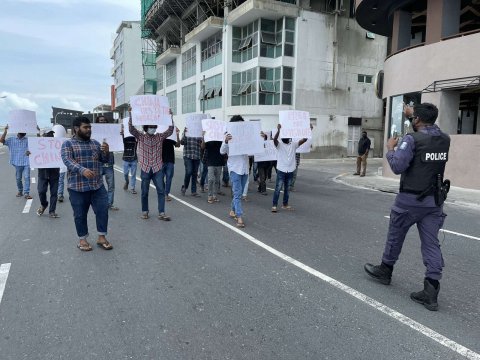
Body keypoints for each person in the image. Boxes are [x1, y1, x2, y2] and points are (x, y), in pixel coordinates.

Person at [364, 102, 450, 311]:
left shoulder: (412, 139)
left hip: (410, 200)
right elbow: (429, 131)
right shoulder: (444, 139)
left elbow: (397, 166)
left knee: (396, 235)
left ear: (418, 120)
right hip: (433, 201)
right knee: (431, 244)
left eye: (414, 118)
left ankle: (385, 270)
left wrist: (391, 149)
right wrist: (414, 115)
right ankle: (431, 291)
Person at [61, 116, 113, 251]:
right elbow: (67, 160)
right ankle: (82, 240)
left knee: (102, 211)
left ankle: (102, 237)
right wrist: (82, 170)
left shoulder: (95, 143)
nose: (89, 129)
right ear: (76, 128)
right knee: (80, 215)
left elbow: (104, 160)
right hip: (77, 187)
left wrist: (106, 152)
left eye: (90, 127)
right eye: (86, 127)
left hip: (97, 186)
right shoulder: (68, 144)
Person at [128, 110, 174, 220]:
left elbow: (170, 130)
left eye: (154, 126)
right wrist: (131, 114)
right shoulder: (140, 136)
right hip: (145, 167)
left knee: (161, 191)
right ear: (146, 128)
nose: (153, 128)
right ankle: (145, 211)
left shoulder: (159, 137)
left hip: (158, 167)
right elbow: (131, 129)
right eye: (150, 127)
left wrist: (170, 116)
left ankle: (161, 213)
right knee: (144, 192)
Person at [271, 124, 308, 212]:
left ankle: (285, 204)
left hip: (290, 170)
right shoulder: (279, 145)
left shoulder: (294, 145)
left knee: (287, 188)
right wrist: (279, 130)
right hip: (281, 170)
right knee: (278, 188)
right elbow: (275, 139)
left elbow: (304, 140)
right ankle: (274, 205)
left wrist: (308, 130)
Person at [0, 125, 33, 199]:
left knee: (27, 177)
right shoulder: (11, 139)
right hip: (17, 162)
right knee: (18, 178)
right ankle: (20, 191)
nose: (22, 134)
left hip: (26, 162)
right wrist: (5, 131)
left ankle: (26, 193)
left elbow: (35, 147)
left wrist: (30, 152)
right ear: (18, 132)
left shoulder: (28, 140)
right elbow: (1, 140)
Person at [35, 129, 60, 218]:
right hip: (43, 173)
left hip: (54, 173)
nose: (50, 136)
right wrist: (29, 153)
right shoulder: (38, 145)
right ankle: (44, 204)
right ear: (43, 136)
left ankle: (52, 211)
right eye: (48, 134)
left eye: (51, 134)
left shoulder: (57, 145)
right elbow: (33, 154)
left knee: (54, 193)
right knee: (41, 191)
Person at [96, 115, 118, 210]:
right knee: (98, 186)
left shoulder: (112, 132)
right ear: (97, 122)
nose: (103, 122)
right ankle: (99, 203)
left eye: (104, 120)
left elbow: (118, 141)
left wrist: (120, 134)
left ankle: (109, 204)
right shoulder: (93, 133)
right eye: (101, 120)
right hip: (99, 164)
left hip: (109, 164)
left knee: (111, 186)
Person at [201, 132, 224, 204]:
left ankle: (215, 196)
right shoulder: (209, 138)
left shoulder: (221, 138)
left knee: (217, 180)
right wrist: (203, 137)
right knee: (211, 179)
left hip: (219, 161)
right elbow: (202, 147)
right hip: (210, 161)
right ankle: (210, 196)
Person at [180, 127, 202, 196]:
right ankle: (185, 187)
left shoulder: (199, 133)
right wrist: (185, 134)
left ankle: (193, 191)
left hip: (197, 155)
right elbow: (182, 142)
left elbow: (202, 145)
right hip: (187, 155)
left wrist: (203, 136)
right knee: (189, 171)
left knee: (195, 173)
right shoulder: (186, 131)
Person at [162, 122, 181, 202]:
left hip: (170, 160)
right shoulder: (159, 137)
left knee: (169, 178)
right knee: (160, 178)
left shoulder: (171, 137)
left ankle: (166, 194)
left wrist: (177, 134)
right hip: (160, 160)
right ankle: (162, 192)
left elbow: (177, 145)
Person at [120, 124, 138, 194]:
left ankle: (132, 188)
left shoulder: (136, 137)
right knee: (125, 174)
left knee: (133, 174)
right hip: (125, 159)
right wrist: (122, 132)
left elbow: (140, 137)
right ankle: (127, 181)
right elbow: (119, 139)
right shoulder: (123, 137)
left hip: (134, 159)